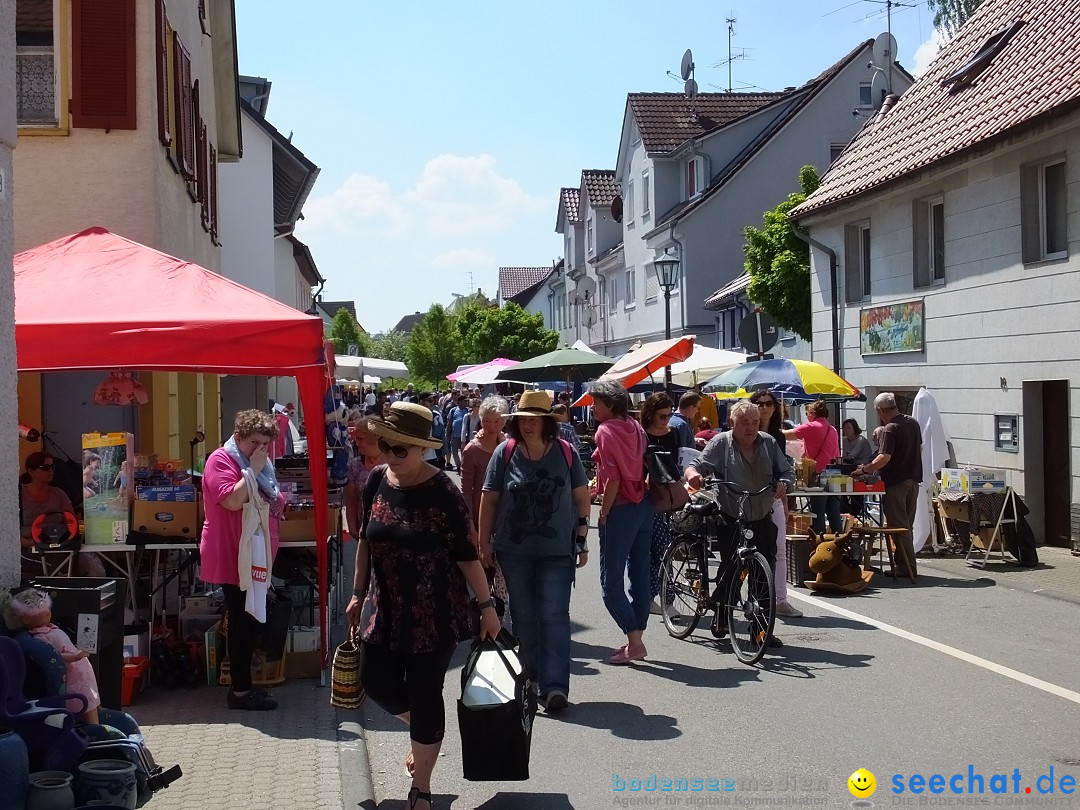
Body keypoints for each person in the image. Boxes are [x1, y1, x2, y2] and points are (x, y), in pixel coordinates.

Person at [346, 402, 499, 810]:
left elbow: (468, 555)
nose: (391, 455)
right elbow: (365, 539)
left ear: (422, 450)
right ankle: (426, 732)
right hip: (385, 609)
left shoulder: (443, 493)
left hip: (435, 613)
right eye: (386, 445)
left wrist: (486, 606)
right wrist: (358, 593)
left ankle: (423, 788)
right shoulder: (377, 479)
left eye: (401, 450)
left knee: (425, 691)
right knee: (374, 680)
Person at [477, 391, 590, 712]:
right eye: (523, 419)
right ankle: (531, 679)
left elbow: (582, 499)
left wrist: (581, 539)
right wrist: (484, 543)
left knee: (554, 616)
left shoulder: (566, 453)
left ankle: (555, 686)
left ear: (546, 422)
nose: (527, 425)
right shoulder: (505, 452)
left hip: (557, 552)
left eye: (534, 419)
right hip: (513, 551)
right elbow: (490, 499)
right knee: (524, 618)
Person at [684, 400, 793, 646]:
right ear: (732, 423)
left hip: (761, 515)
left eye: (755, 422)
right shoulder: (721, 442)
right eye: (745, 422)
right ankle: (722, 613)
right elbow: (695, 466)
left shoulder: (768, 442)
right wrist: (694, 475)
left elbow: (787, 472)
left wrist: (784, 483)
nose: (751, 428)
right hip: (731, 516)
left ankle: (761, 631)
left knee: (763, 573)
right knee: (732, 568)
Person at [201, 409, 286, 711]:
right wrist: (252, 469)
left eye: (266, 443)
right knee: (242, 620)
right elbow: (232, 500)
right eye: (255, 442)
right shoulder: (221, 460)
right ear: (239, 437)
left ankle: (244, 686)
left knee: (249, 619)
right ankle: (240, 691)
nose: (260, 449)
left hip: (253, 553)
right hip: (231, 552)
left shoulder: (256, 461)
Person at [590, 379, 654, 665]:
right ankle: (636, 634)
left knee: (610, 581)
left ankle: (634, 640)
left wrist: (603, 512)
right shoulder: (636, 426)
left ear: (610, 405)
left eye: (596, 403)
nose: (593, 408)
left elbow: (613, 478)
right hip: (644, 503)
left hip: (621, 507)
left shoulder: (605, 430)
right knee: (640, 573)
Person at [2, 588, 101, 724]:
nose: (48, 612)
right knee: (84, 700)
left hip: (81, 673)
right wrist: (74, 657)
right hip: (72, 675)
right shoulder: (39, 637)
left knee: (91, 697)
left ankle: (96, 716)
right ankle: (94, 726)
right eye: (41, 612)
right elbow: (55, 656)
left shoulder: (52, 627)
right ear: (25, 619)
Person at [855, 393, 922, 579]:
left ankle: (908, 568)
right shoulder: (912, 423)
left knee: (899, 526)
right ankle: (903, 564)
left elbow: (884, 457)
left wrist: (864, 470)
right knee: (907, 525)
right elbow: (920, 449)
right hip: (914, 481)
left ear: (880, 410)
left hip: (896, 483)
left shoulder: (890, 428)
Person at [748, 390, 802, 620]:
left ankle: (780, 600)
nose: (764, 407)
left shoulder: (778, 436)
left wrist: (786, 499)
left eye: (768, 403)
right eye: (759, 403)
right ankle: (748, 600)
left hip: (772, 497)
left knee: (779, 550)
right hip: (748, 497)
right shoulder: (744, 433)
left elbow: (783, 470)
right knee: (749, 552)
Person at [640, 393, 680, 620]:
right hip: (643, 497)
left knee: (664, 549)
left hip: (663, 497)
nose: (665, 420)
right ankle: (647, 595)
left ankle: (667, 597)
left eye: (668, 415)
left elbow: (673, 465)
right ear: (651, 414)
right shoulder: (641, 434)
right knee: (644, 551)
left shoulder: (671, 434)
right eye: (661, 416)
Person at [785, 400, 842, 535]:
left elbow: (786, 435)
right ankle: (841, 545)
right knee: (834, 512)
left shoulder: (811, 427)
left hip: (818, 474)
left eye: (806, 413)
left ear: (812, 413)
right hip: (836, 473)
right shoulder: (832, 429)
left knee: (818, 512)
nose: (806, 416)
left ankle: (819, 543)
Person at [20, 451, 75, 550]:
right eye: (45, 467)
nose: (50, 470)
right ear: (31, 471)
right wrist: (29, 543)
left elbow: (72, 523)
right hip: (27, 549)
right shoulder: (18, 495)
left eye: (52, 467)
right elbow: (7, 530)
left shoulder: (59, 494)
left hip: (57, 545)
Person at [345, 417, 386, 541]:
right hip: (364, 532)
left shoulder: (394, 463)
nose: (356, 443)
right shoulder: (355, 465)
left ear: (375, 438)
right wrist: (352, 529)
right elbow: (351, 501)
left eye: (360, 439)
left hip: (390, 533)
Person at [841, 418, 875, 517]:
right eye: (844, 428)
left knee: (855, 488)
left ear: (854, 428)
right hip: (850, 468)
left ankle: (854, 512)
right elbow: (845, 457)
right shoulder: (845, 441)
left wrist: (845, 459)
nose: (846, 430)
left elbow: (852, 456)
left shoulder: (861, 441)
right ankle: (845, 510)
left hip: (862, 468)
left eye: (848, 428)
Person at [448, 395, 469, 471]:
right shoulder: (453, 410)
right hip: (454, 435)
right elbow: (449, 423)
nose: (466, 403)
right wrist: (448, 434)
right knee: (455, 452)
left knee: (464, 452)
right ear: (459, 402)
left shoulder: (468, 411)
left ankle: (463, 466)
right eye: (464, 401)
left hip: (464, 436)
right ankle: (458, 466)